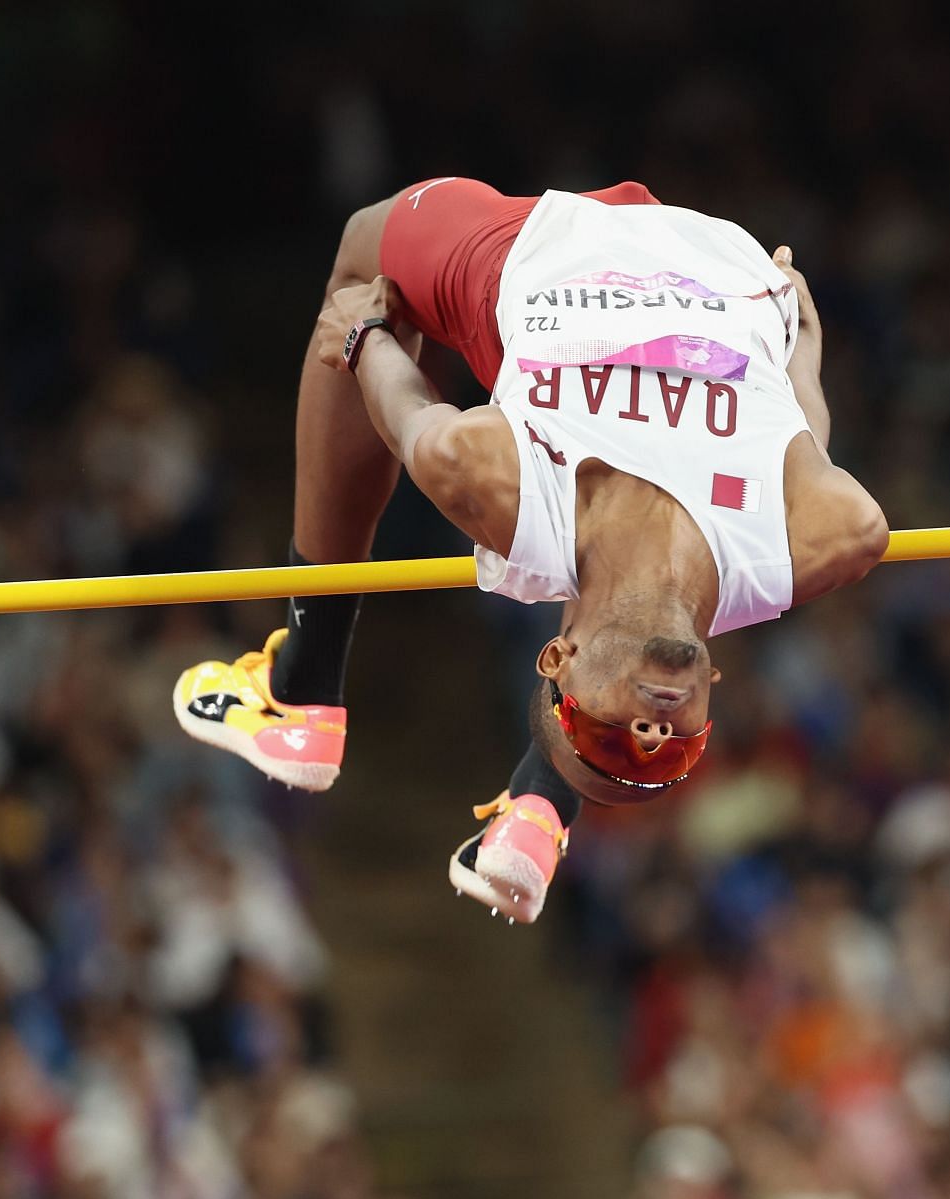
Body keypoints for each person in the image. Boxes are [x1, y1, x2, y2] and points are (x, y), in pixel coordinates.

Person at [174, 178, 888, 923]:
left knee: (362, 256)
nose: (650, 734)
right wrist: (800, 351)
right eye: (669, 751)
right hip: (726, 278)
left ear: (557, 657)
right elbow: (804, 439)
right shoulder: (819, 538)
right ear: (712, 675)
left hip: (553, 261)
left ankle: (302, 690)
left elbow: (410, 413)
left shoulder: (503, 487)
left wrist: (362, 337)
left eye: (612, 736)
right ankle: (540, 808)